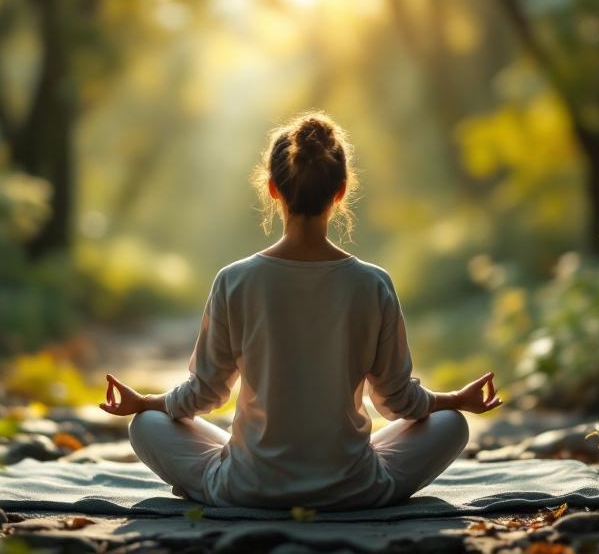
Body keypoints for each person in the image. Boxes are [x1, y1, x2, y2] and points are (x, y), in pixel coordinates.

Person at [99, 112, 502, 510]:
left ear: (273, 189)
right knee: (452, 424)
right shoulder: (373, 283)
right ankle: (340, 481)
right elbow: (397, 403)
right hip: (353, 488)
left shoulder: (234, 280)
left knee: (146, 427)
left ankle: (219, 484)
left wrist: (146, 403)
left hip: (248, 486)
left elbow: (205, 393)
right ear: (341, 191)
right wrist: (455, 399)